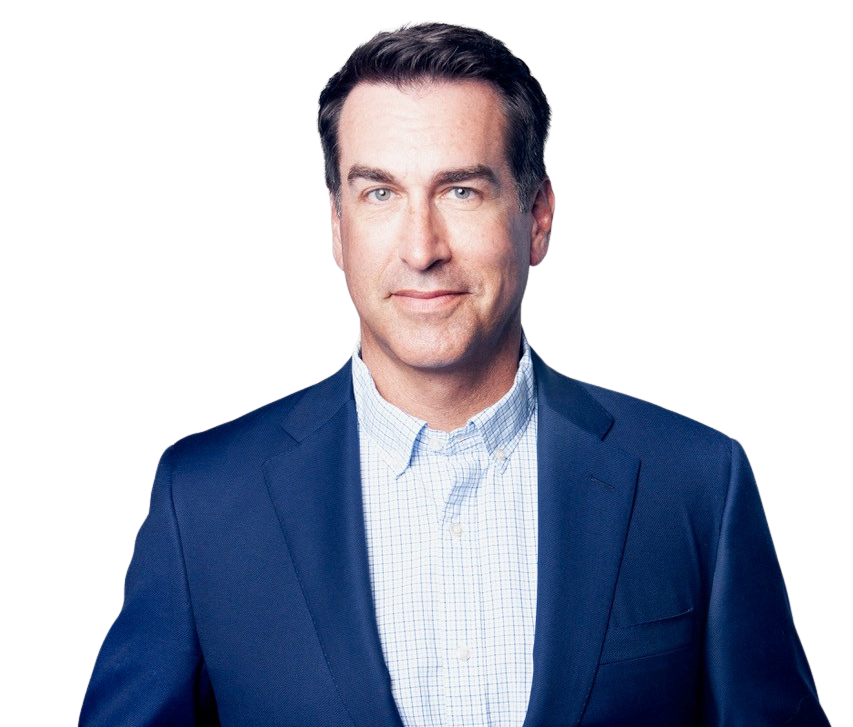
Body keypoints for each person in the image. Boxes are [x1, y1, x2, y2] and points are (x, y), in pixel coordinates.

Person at [79, 20, 831, 727]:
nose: (421, 248)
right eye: (380, 193)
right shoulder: (202, 498)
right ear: (337, 225)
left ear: (538, 216)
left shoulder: (697, 480)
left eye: (461, 191)